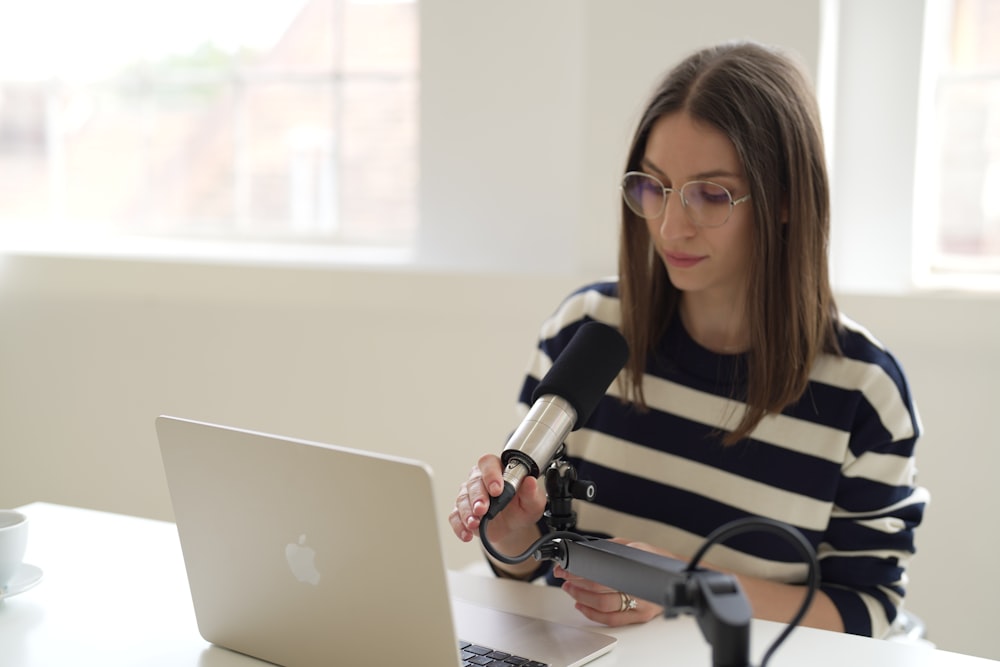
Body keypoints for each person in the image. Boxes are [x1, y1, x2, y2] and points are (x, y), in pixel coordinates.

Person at [448, 40, 928, 639]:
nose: (670, 226)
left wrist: (683, 586)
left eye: (711, 194)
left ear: (784, 200)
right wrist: (510, 537)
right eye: (654, 186)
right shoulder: (586, 329)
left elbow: (868, 610)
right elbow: (520, 569)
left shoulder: (862, 393)